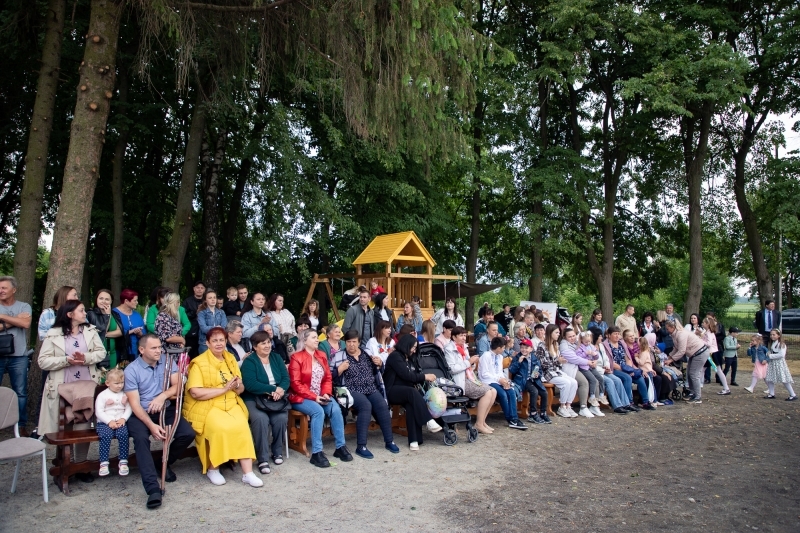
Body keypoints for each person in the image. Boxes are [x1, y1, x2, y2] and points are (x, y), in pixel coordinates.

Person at [183, 327, 262, 487]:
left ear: (226, 341)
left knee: (242, 427)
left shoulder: (230, 358)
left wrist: (236, 386)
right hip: (208, 405)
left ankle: (248, 473)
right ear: (207, 343)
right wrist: (223, 389)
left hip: (231, 402)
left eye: (221, 340)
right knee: (219, 428)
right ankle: (213, 468)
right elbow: (196, 392)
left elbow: (240, 387)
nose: (219, 344)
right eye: (215, 340)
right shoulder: (199, 362)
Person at [124, 334, 196, 509]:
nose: (159, 351)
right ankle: (152, 489)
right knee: (141, 440)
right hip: (141, 414)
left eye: (159, 347)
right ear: (142, 350)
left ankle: (162, 462)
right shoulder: (131, 370)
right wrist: (152, 425)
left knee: (187, 434)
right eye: (154, 348)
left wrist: (162, 396)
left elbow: (178, 385)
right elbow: (134, 404)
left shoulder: (166, 361)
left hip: (164, 408)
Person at [37, 300, 105, 475]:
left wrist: (85, 358)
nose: (85, 313)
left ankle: (81, 466)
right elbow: (42, 361)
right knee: (65, 423)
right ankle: (66, 464)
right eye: (81, 310)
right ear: (70, 314)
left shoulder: (90, 331)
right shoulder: (53, 334)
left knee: (83, 421)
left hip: (86, 386)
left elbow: (101, 353)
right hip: (62, 387)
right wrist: (65, 360)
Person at [329, 330, 399, 458]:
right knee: (365, 406)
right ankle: (361, 446)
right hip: (350, 390)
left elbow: (377, 371)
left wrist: (379, 364)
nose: (351, 345)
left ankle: (389, 441)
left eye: (354, 342)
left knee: (382, 405)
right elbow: (329, 377)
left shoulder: (366, 353)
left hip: (370, 388)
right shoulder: (339, 356)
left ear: (359, 342)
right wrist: (339, 370)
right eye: (348, 342)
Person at [289, 329, 351, 467]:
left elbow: (327, 378)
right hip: (301, 397)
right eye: (314, 338)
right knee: (318, 411)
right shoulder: (296, 357)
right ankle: (317, 452)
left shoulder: (321, 355)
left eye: (317, 337)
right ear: (305, 341)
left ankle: (340, 447)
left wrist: (325, 393)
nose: (317, 340)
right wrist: (314, 397)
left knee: (335, 409)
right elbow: (295, 384)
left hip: (320, 395)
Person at [240, 330, 290, 474]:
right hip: (255, 398)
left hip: (276, 397)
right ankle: (262, 458)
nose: (267, 345)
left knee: (281, 418)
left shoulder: (276, 357)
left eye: (268, 342)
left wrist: (280, 390)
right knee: (260, 420)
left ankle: (277, 451)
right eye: (263, 343)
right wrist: (273, 389)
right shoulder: (250, 361)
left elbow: (286, 378)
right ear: (255, 346)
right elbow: (250, 384)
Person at [383, 334, 440, 450]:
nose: (414, 350)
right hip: (392, 390)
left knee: (411, 404)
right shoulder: (395, 356)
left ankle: (414, 440)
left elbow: (413, 374)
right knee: (411, 392)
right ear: (406, 345)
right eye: (413, 347)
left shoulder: (409, 358)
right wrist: (425, 377)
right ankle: (428, 420)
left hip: (406, 391)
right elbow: (406, 375)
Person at [446, 325, 498, 433]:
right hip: (458, 381)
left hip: (469, 378)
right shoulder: (449, 349)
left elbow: (468, 365)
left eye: (465, 335)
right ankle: (479, 424)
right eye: (461, 336)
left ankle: (483, 421)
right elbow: (452, 369)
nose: (464, 338)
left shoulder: (464, 347)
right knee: (488, 393)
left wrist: (472, 364)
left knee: (493, 391)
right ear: (454, 337)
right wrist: (468, 362)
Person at [479, 336, 528, 429]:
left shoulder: (500, 357)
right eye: (503, 348)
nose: (504, 349)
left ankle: (514, 418)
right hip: (488, 381)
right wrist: (499, 379)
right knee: (502, 394)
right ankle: (509, 419)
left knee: (511, 391)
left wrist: (504, 380)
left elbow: (499, 371)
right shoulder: (486, 356)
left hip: (498, 380)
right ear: (498, 348)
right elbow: (484, 374)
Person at [94, 368, 132, 477]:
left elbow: (129, 408)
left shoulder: (124, 394)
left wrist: (123, 418)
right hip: (105, 422)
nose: (119, 386)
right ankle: (104, 462)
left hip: (120, 421)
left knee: (123, 434)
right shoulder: (103, 395)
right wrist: (109, 421)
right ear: (107, 383)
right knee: (106, 435)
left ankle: (123, 461)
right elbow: (99, 411)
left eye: (122, 383)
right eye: (116, 383)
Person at [604, 327, 653, 410]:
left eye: (618, 334)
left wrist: (629, 369)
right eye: (615, 334)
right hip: (615, 369)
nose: (617, 336)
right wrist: (625, 370)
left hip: (626, 368)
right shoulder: (606, 345)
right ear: (609, 335)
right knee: (627, 378)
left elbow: (628, 358)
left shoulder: (621, 343)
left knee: (640, 377)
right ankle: (628, 402)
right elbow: (610, 362)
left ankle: (645, 402)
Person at [538, 324, 579, 418]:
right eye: (556, 333)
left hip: (557, 371)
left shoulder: (556, 344)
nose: (558, 335)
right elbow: (543, 365)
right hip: (547, 373)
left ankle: (568, 406)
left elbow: (559, 363)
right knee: (566, 383)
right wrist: (558, 361)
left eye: (559, 333)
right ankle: (562, 406)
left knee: (574, 382)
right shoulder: (542, 346)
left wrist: (561, 361)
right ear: (550, 333)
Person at [588, 327, 631, 415]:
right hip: (596, 372)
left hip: (605, 370)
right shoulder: (589, 348)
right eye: (600, 336)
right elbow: (592, 364)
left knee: (617, 380)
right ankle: (617, 406)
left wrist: (607, 366)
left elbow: (607, 358)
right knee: (609, 382)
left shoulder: (601, 346)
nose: (601, 338)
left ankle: (626, 404)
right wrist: (603, 370)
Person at [665, 320, 709, 404]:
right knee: (689, 373)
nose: (667, 331)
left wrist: (671, 360)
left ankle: (698, 397)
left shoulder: (681, 334)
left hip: (700, 353)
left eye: (667, 329)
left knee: (694, 374)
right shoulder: (674, 335)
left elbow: (681, 351)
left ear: (672, 327)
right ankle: (692, 393)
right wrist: (669, 356)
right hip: (694, 354)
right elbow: (676, 348)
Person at [509, 338, 551, 425]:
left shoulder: (534, 357)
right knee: (534, 391)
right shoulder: (517, 357)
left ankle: (543, 412)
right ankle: (533, 414)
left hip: (534, 379)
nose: (524, 350)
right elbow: (512, 370)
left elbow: (539, 370)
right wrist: (518, 362)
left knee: (544, 392)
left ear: (531, 349)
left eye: (526, 348)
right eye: (522, 348)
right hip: (522, 380)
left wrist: (537, 375)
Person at [559, 328, 598, 418]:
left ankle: (594, 405)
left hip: (581, 367)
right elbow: (573, 358)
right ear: (564, 337)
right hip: (570, 368)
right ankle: (583, 407)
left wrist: (595, 359)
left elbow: (591, 348)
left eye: (573, 336)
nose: (572, 338)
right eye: (570, 337)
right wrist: (587, 362)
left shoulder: (577, 342)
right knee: (584, 382)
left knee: (596, 380)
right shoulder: (564, 345)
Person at [86, 289, 123, 369]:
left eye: (107, 299)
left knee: (111, 376)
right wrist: (107, 316)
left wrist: (104, 334)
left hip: (112, 352)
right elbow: (102, 330)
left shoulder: (115, 314)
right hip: (97, 352)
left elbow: (120, 332)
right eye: (101, 298)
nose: (104, 301)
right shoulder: (91, 314)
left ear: (111, 301)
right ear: (96, 300)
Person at [575, 330, 608, 410]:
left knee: (600, 378)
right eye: (586, 342)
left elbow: (596, 357)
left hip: (592, 366)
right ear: (582, 340)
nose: (588, 343)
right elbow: (578, 357)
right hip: (584, 367)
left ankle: (601, 394)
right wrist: (586, 353)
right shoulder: (580, 347)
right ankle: (592, 396)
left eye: (589, 341)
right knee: (593, 380)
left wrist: (595, 355)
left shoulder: (592, 346)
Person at [113, 289, 145, 362]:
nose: (137, 302)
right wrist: (130, 331)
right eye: (135, 300)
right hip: (118, 352)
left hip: (135, 353)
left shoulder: (137, 315)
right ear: (126, 301)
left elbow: (144, 334)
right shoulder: (114, 314)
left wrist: (140, 334)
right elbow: (110, 331)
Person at [764, 329, 796, 400]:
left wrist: (770, 356)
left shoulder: (782, 344)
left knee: (784, 379)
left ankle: (793, 394)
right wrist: (768, 353)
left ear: (778, 335)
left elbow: (781, 355)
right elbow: (770, 351)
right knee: (769, 377)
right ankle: (771, 393)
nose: (772, 336)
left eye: (774, 334)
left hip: (779, 364)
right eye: (771, 335)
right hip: (772, 363)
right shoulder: (772, 343)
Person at [197, 290, 227, 354]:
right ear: (205, 300)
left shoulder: (221, 312)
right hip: (205, 343)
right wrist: (216, 328)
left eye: (214, 297)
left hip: (219, 342)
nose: (213, 300)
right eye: (210, 298)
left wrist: (217, 328)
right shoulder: (201, 313)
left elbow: (224, 326)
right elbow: (203, 328)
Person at [635, 337, 663, 405]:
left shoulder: (644, 353)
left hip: (647, 371)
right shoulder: (644, 352)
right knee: (651, 386)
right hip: (647, 370)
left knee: (651, 387)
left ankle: (653, 400)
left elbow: (641, 362)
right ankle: (654, 400)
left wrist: (636, 357)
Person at [182, 281, 206, 357]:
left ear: (204, 290)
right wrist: (196, 312)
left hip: (203, 332)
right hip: (191, 331)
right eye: (198, 288)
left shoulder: (207, 301)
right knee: (191, 354)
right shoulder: (187, 301)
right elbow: (184, 315)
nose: (200, 289)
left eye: (202, 288)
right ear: (194, 289)